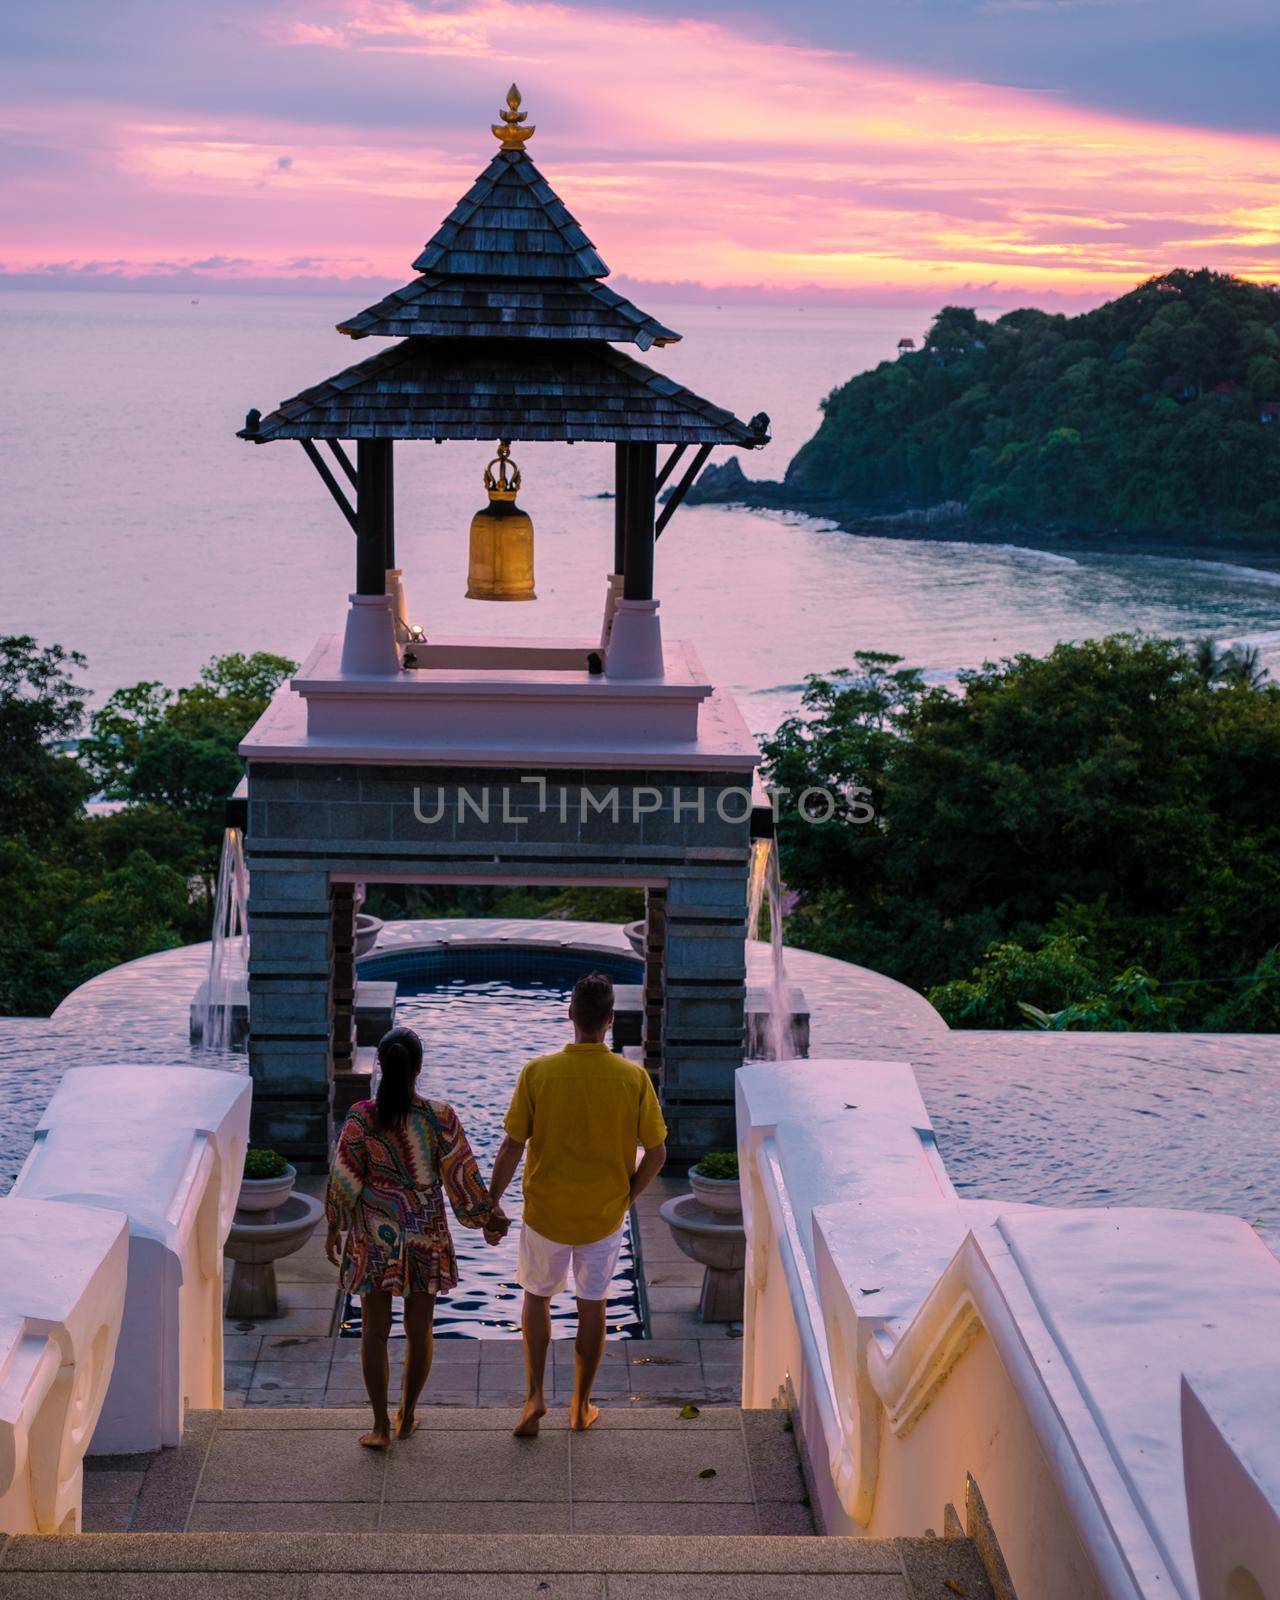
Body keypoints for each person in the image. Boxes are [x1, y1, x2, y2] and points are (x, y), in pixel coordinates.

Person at [488, 972, 667, 1436]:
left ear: (570, 1013)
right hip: (602, 1217)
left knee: (536, 1300)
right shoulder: (633, 1078)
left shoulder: (538, 1072)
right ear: (609, 1020)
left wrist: (491, 1202)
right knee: (593, 1307)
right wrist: (627, 1196)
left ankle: (533, 1397)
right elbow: (658, 1151)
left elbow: (511, 1147)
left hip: (546, 1213)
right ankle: (580, 1406)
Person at [325, 1025, 508, 1448]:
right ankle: (407, 1415)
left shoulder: (360, 1117)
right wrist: (489, 1218)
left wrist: (335, 1224)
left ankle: (379, 1426)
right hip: (425, 1232)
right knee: (420, 1330)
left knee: (373, 1331)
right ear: (418, 1069)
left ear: (380, 1067)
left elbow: (344, 1180)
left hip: (374, 1232)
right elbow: (463, 1179)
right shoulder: (439, 1117)